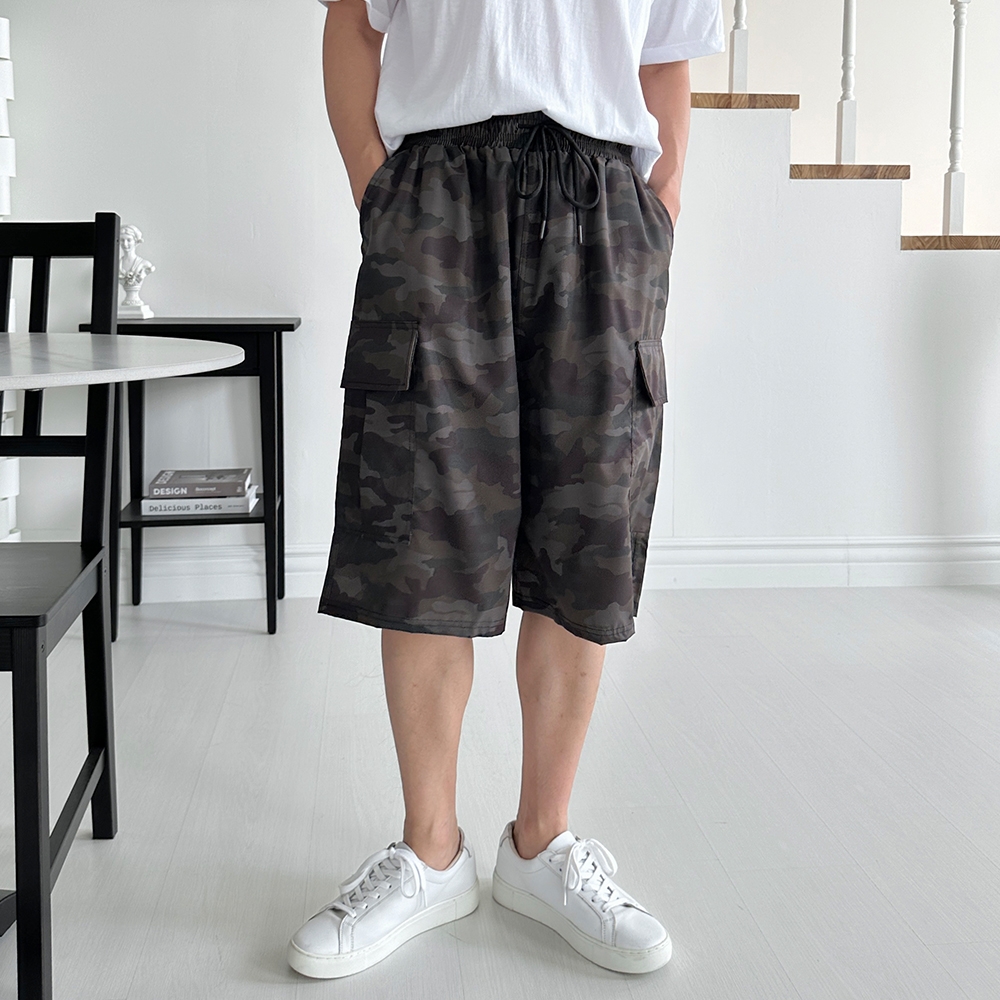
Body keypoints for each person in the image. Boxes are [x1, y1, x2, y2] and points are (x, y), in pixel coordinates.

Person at [289, 0, 724, 980]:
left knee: (586, 534)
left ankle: (541, 843)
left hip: (603, 210)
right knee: (424, 528)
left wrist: (659, 208)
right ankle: (429, 851)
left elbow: (665, 57)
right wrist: (377, 191)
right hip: (435, 201)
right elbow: (353, 20)